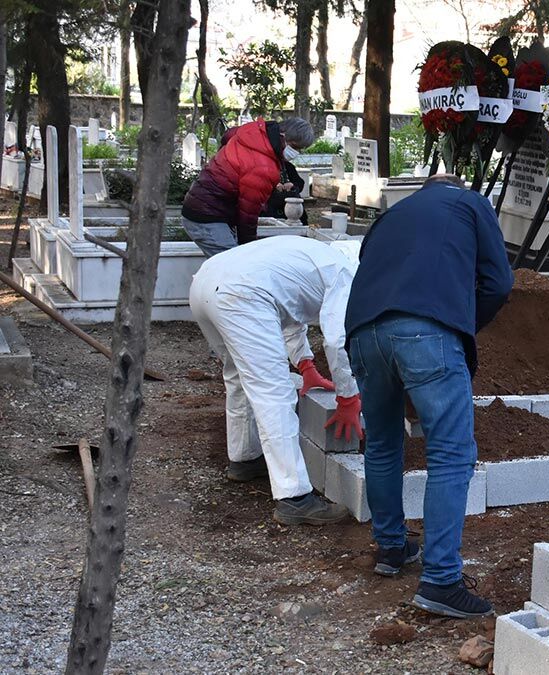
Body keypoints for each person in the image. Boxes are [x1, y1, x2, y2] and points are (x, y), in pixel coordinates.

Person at [344, 174, 514, 619]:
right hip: (426, 328)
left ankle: (391, 548)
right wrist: (457, 329)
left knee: (381, 443)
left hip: (362, 332)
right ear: (455, 187)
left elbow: (372, 269)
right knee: (451, 454)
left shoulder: (392, 215)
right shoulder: (470, 203)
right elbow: (498, 283)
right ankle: (441, 580)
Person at [189, 235, 362, 525]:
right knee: (275, 392)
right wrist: (348, 398)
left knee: (238, 377)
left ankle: (244, 459)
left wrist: (306, 365)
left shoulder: (314, 259)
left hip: (206, 283)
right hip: (241, 293)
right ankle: (294, 498)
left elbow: (289, 313)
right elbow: (337, 340)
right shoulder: (347, 271)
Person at [181, 117, 315, 257]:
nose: (297, 152)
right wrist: (249, 251)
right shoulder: (263, 167)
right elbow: (248, 214)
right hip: (207, 216)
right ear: (283, 136)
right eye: (295, 147)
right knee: (232, 269)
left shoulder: (253, 132)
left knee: (224, 268)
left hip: (204, 205)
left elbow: (228, 135)